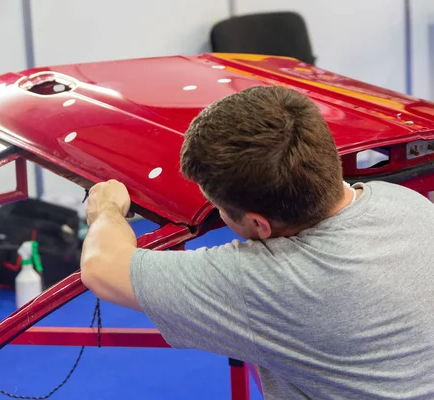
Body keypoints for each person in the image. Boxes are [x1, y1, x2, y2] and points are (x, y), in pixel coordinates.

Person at [80, 86, 434, 399]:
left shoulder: (273, 283)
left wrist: (106, 208)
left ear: (259, 225)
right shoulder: (403, 201)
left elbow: (102, 267)